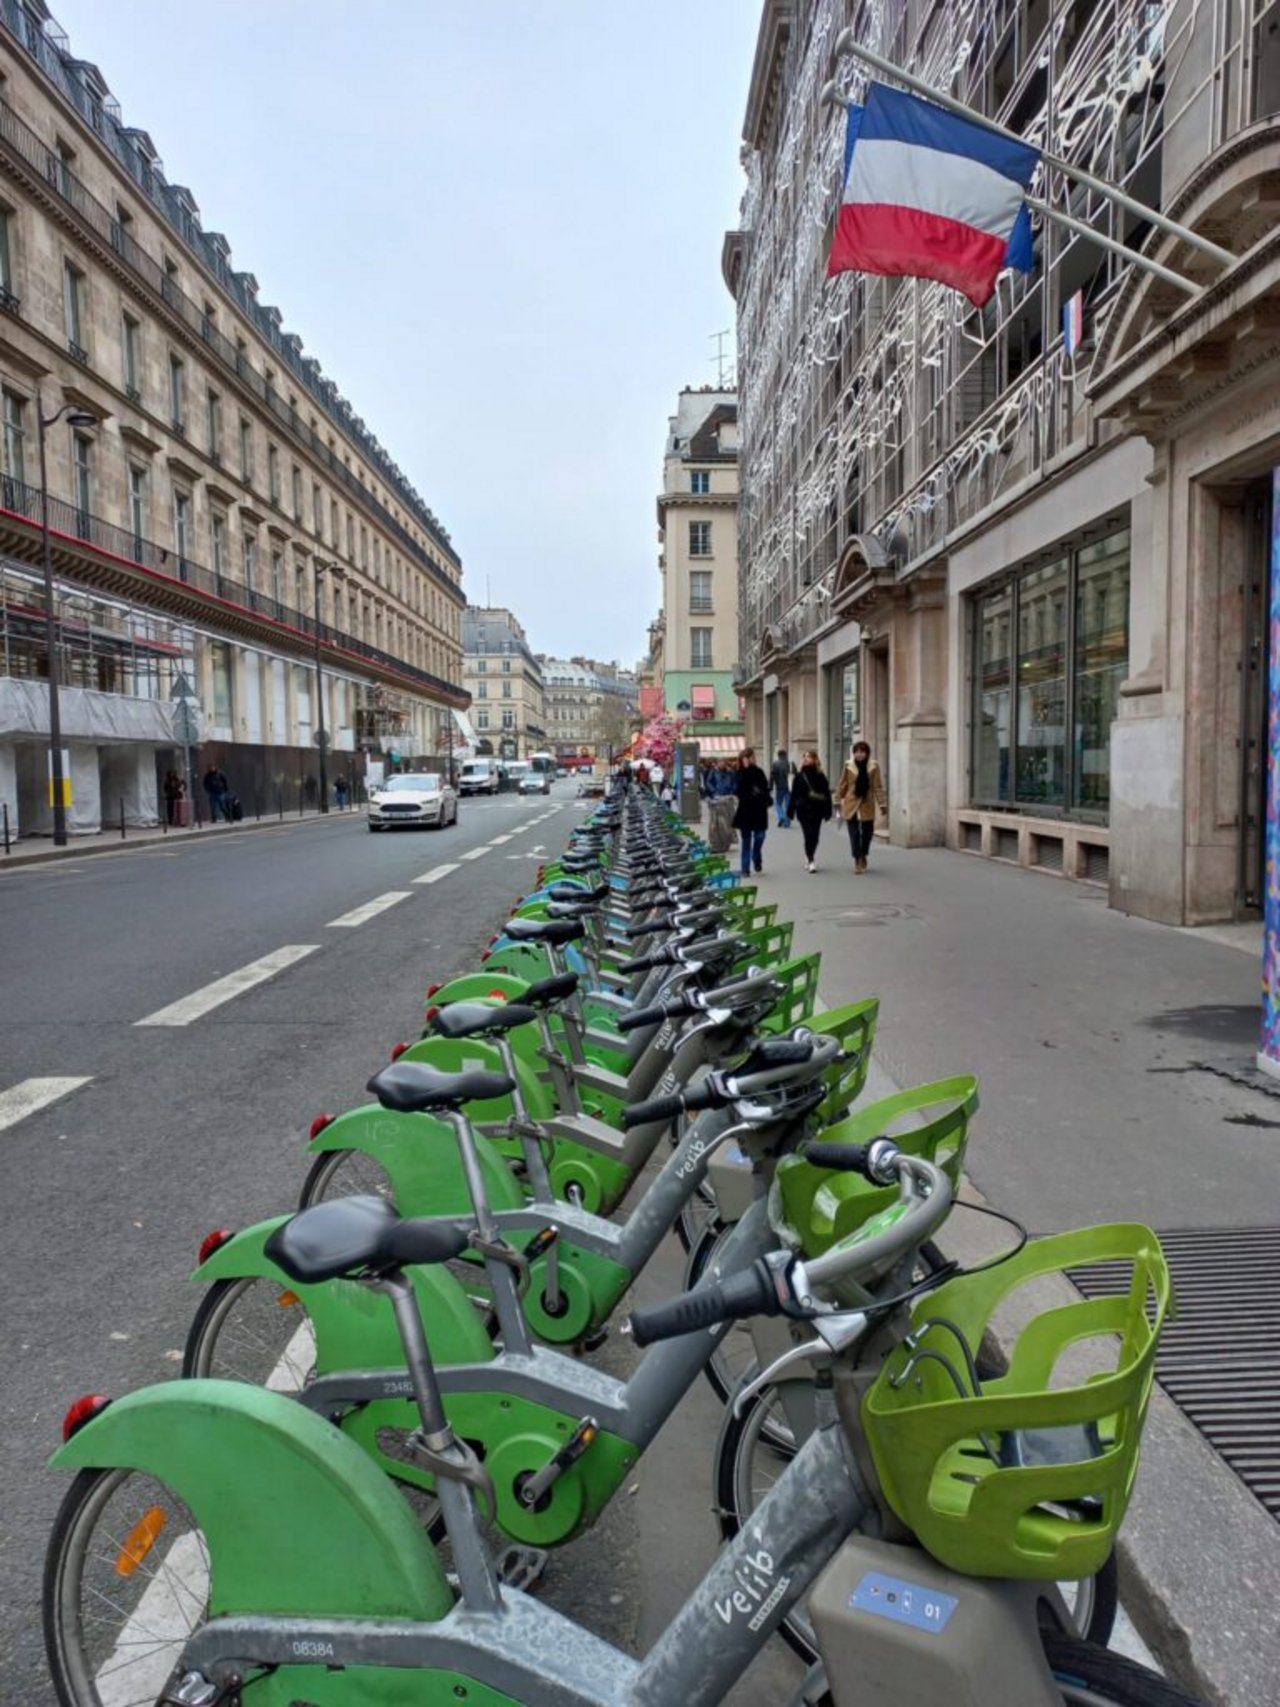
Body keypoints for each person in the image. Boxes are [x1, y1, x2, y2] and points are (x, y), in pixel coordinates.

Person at [836, 739, 888, 873]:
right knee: (854, 834)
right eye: (857, 752)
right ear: (853, 753)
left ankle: (864, 853)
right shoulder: (848, 765)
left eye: (862, 752)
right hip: (851, 802)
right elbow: (843, 784)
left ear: (867, 753)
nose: (859, 754)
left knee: (867, 833)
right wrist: (837, 799)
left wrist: (882, 803)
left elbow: (877, 786)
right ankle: (857, 860)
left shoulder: (873, 766)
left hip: (867, 802)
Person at [790, 750, 833, 873]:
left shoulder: (820, 776)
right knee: (808, 834)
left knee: (815, 836)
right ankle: (811, 860)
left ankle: (809, 854)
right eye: (804, 756)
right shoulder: (799, 776)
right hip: (803, 810)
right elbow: (793, 794)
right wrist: (791, 810)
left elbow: (826, 794)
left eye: (808, 757)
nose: (805, 758)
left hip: (817, 810)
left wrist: (828, 811)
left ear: (814, 759)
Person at [732, 747, 771, 877]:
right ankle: (745, 869)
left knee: (760, 836)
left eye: (753, 757)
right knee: (746, 841)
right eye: (751, 757)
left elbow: (765, 788)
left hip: (759, 809)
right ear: (745, 759)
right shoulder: (739, 774)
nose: (754, 759)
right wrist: (745, 770)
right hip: (746, 811)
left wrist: (765, 797)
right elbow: (738, 790)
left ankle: (756, 855)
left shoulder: (759, 772)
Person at [770, 748, 794, 828]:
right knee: (788, 805)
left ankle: (781, 816)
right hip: (789, 788)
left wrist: (770, 787)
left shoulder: (775, 764)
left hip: (779, 787)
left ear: (778, 755)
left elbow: (772, 776)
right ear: (785, 755)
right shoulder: (791, 764)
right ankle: (787, 823)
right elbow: (796, 776)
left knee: (778, 804)